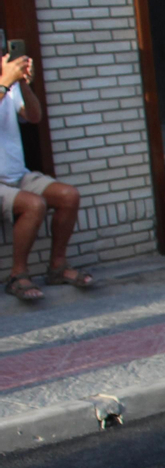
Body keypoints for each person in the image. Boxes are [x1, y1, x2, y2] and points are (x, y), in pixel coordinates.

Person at [0, 51, 93, 301]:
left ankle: (57, 267)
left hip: (17, 174)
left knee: (68, 196)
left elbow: (34, 116)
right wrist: (5, 83)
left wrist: (22, 85)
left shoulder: (9, 85)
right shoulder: (3, 84)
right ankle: (17, 275)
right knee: (34, 204)